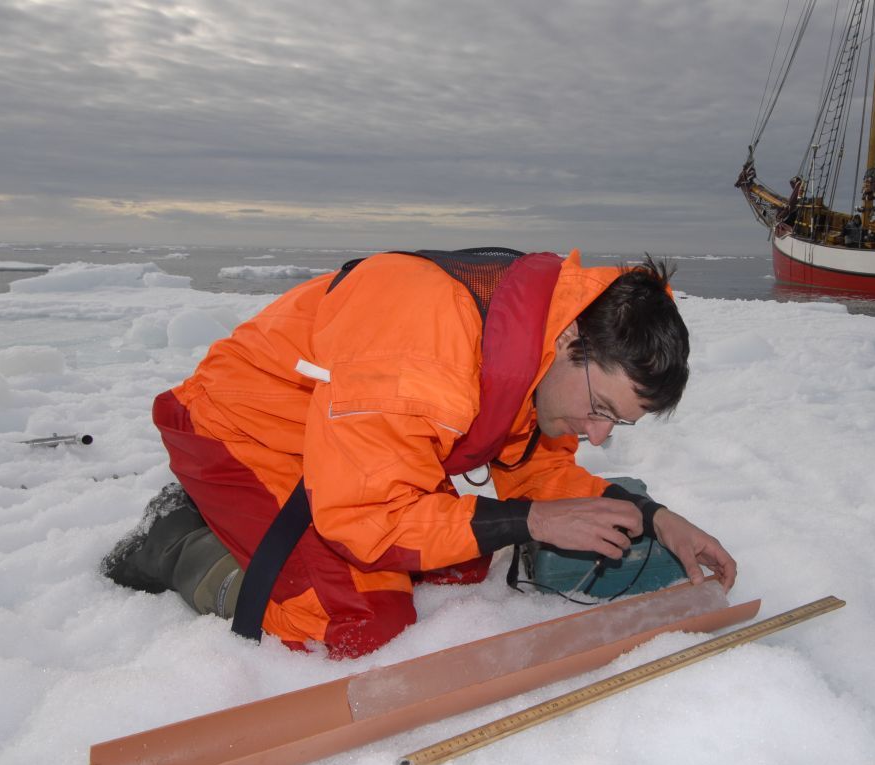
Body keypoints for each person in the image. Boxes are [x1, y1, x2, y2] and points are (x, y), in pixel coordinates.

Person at [101, 249, 738, 659]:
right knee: (358, 623)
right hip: (244, 430)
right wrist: (529, 522)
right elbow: (364, 517)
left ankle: (234, 529)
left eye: (614, 425)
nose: (596, 436)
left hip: (358, 442)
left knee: (459, 563)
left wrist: (657, 519)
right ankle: (179, 538)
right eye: (600, 409)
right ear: (574, 337)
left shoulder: (542, 351)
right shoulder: (427, 353)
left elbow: (540, 470)